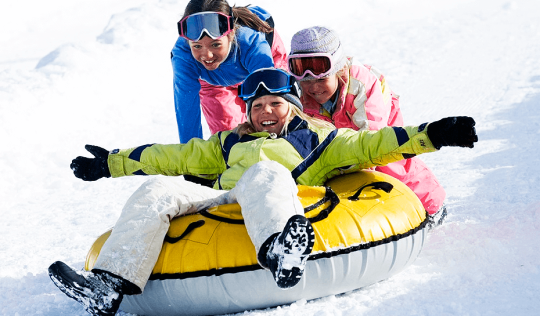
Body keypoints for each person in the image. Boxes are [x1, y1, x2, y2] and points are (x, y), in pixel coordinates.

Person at [48, 68, 478, 316]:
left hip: (276, 197)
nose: (265, 112)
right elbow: (173, 156)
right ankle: (107, 286)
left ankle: (281, 251)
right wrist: (110, 163)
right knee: (157, 187)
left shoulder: (322, 141)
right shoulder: (228, 143)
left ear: (291, 107)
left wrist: (435, 134)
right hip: (221, 203)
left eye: (275, 104)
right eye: (256, 106)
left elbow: (377, 143)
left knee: (266, 174)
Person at [287, 26, 448, 227]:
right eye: (306, 81)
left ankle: (432, 205)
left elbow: (372, 140)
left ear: (337, 69)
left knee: (389, 162)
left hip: (377, 122)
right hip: (337, 129)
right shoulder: (301, 97)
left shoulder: (361, 84)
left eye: (321, 79)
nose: (314, 87)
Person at [171, 0, 287, 144]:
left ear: (230, 35)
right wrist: (190, 154)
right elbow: (186, 109)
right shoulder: (183, 56)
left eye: (215, 44)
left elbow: (269, 99)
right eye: (197, 46)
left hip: (261, 71)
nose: (207, 55)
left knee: (269, 122)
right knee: (231, 139)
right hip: (213, 83)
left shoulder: (251, 44)